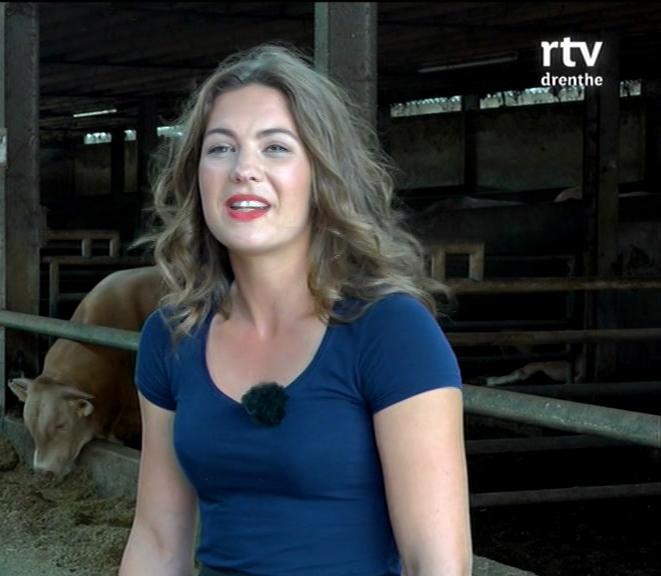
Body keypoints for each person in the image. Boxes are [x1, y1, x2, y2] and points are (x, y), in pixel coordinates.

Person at [119, 41, 472, 576]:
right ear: (197, 176)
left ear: (321, 175)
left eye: (276, 147)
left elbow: (437, 564)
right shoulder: (172, 335)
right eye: (221, 148)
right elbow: (157, 542)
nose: (244, 169)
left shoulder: (391, 331)